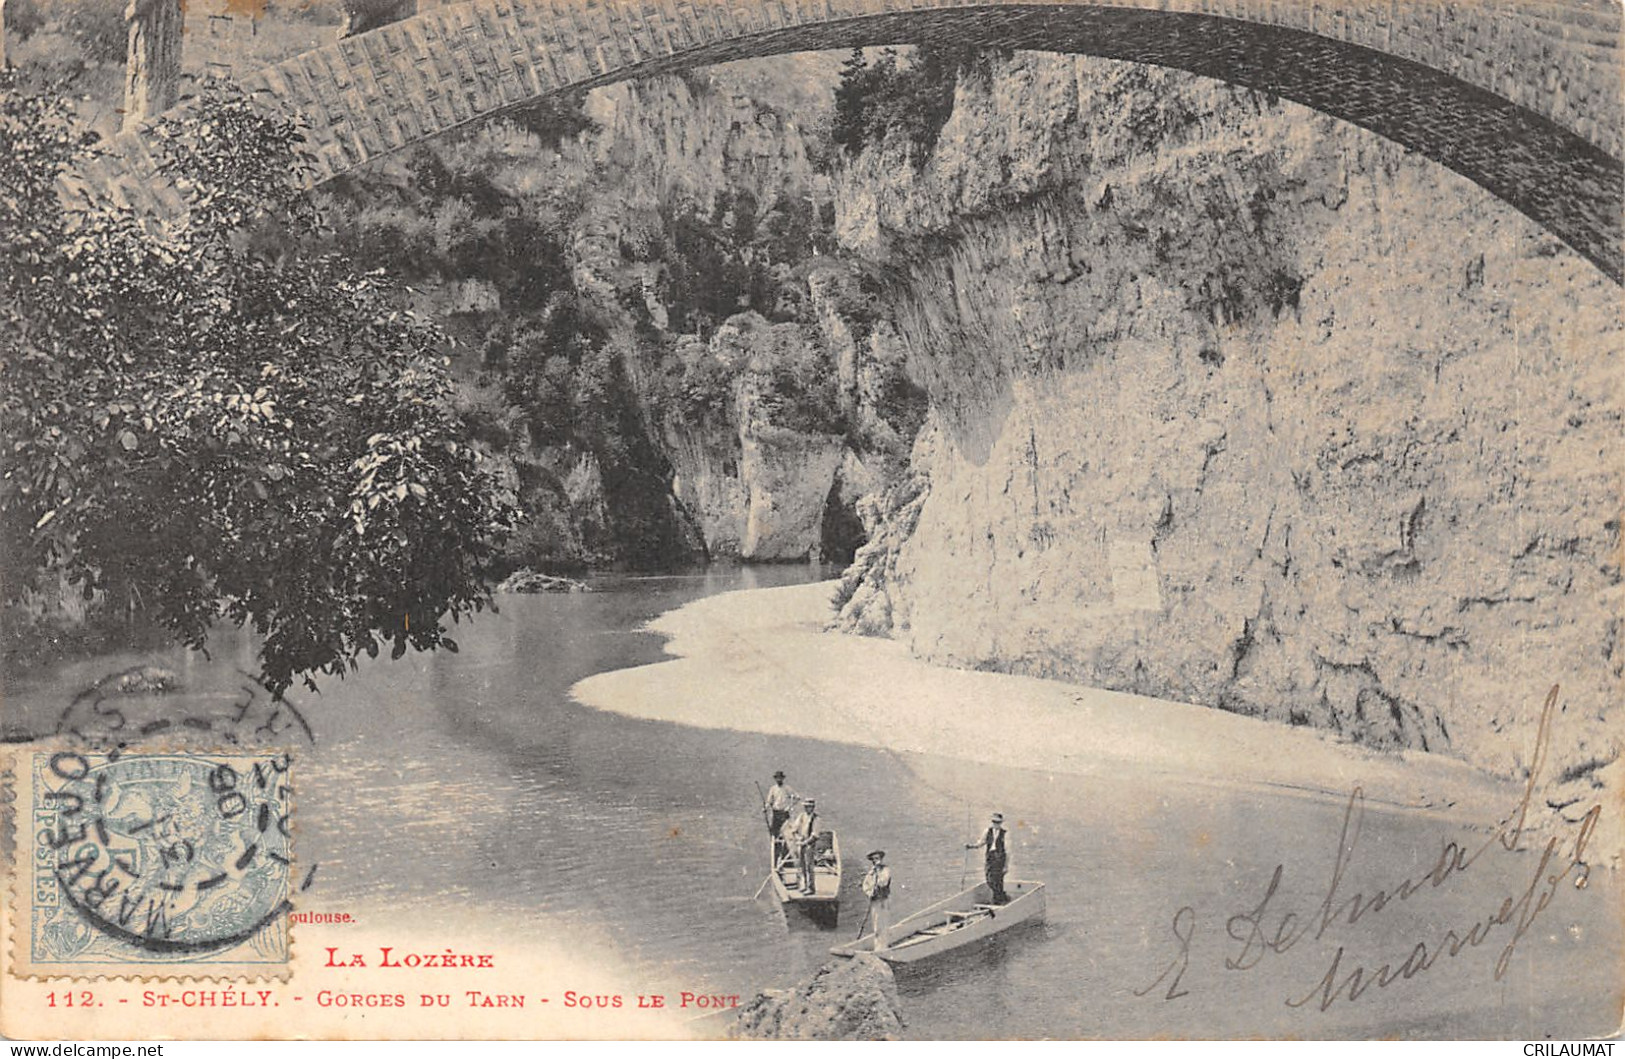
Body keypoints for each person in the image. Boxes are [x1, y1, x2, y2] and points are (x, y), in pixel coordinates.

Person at [966, 812, 1009, 904]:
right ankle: (1002, 896)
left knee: (998, 879)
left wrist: (1006, 866)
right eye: (994, 822)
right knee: (989, 879)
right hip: (990, 858)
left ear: (1001, 823)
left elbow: (1007, 851)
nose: (995, 824)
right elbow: (981, 843)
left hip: (1000, 859)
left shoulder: (1004, 834)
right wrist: (971, 846)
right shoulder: (987, 831)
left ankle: (998, 900)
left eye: (997, 822)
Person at [763, 771, 798, 863]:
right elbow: (769, 801)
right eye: (777, 778)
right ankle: (777, 855)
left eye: (780, 778)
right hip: (776, 813)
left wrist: (789, 806)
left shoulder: (787, 788)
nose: (779, 779)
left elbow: (797, 798)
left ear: (783, 778)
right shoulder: (773, 789)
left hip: (784, 813)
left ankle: (788, 853)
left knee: (787, 833)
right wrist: (765, 808)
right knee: (775, 834)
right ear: (775, 779)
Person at [861, 849, 892, 947]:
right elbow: (865, 885)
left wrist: (878, 873)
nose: (876, 861)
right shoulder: (871, 872)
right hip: (874, 901)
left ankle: (882, 946)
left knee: (882, 923)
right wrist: (869, 892)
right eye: (873, 859)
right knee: (876, 924)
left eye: (877, 858)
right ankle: (877, 945)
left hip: (883, 900)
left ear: (881, 859)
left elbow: (883, 882)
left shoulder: (886, 870)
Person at [788, 798, 820, 894]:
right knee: (802, 866)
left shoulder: (816, 819)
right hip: (801, 843)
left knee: (809, 866)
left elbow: (815, 835)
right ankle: (805, 886)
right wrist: (798, 838)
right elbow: (794, 829)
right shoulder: (802, 816)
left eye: (809, 807)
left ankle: (811, 888)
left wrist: (805, 842)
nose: (807, 808)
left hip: (809, 845)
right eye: (805, 806)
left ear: (813, 807)